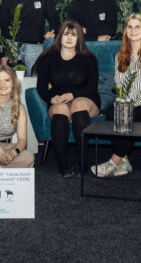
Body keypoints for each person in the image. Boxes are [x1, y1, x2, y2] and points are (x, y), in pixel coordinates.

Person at [91, 14, 141, 177]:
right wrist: (124, 103)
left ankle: (114, 161)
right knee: (111, 114)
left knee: (128, 116)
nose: (133, 30)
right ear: (126, 31)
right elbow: (120, 86)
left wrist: (130, 105)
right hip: (129, 104)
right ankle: (125, 161)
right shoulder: (120, 56)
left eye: (137, 26)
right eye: (130, 27)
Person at [33, 20, 100, 177]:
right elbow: (41, 88)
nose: (70, 38)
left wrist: (72, 95)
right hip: (59, 99)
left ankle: (82, 164)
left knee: (78, 105)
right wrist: (51, 99)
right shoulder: (47, 58)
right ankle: (63, 167)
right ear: (59, 36)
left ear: (79, 38)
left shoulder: (89, 58)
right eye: (66, 34)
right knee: (60, 110)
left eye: (74, 35)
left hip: (85, 97)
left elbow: (92, 86)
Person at [0, 0, 60, 76]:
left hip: (34, 47)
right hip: (12, 47)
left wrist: (53, 32)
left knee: (34, 82)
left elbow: (54, 18)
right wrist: (3, 54)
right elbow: (2, 24)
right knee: (12, 82)